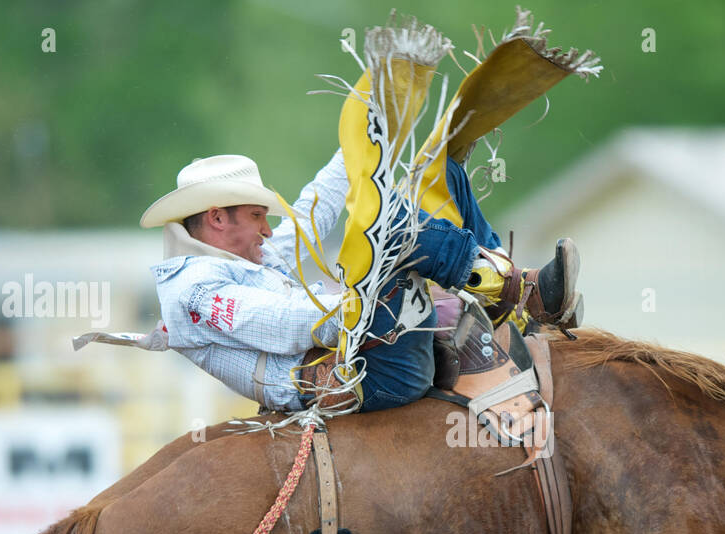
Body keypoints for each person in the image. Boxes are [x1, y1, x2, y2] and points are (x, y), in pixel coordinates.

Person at [137, 149, 580, 412]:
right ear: (216, 218)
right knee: (385, 230)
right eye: (257, 217)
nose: (269, 229)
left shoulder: (247, 258)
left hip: (368, 352)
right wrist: (365, 285)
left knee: (437, 167)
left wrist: (369, 135)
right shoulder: (194, 293)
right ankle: (523, 292)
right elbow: (288, 325)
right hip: (368, 374)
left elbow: (317, 205)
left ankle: (516, 294)